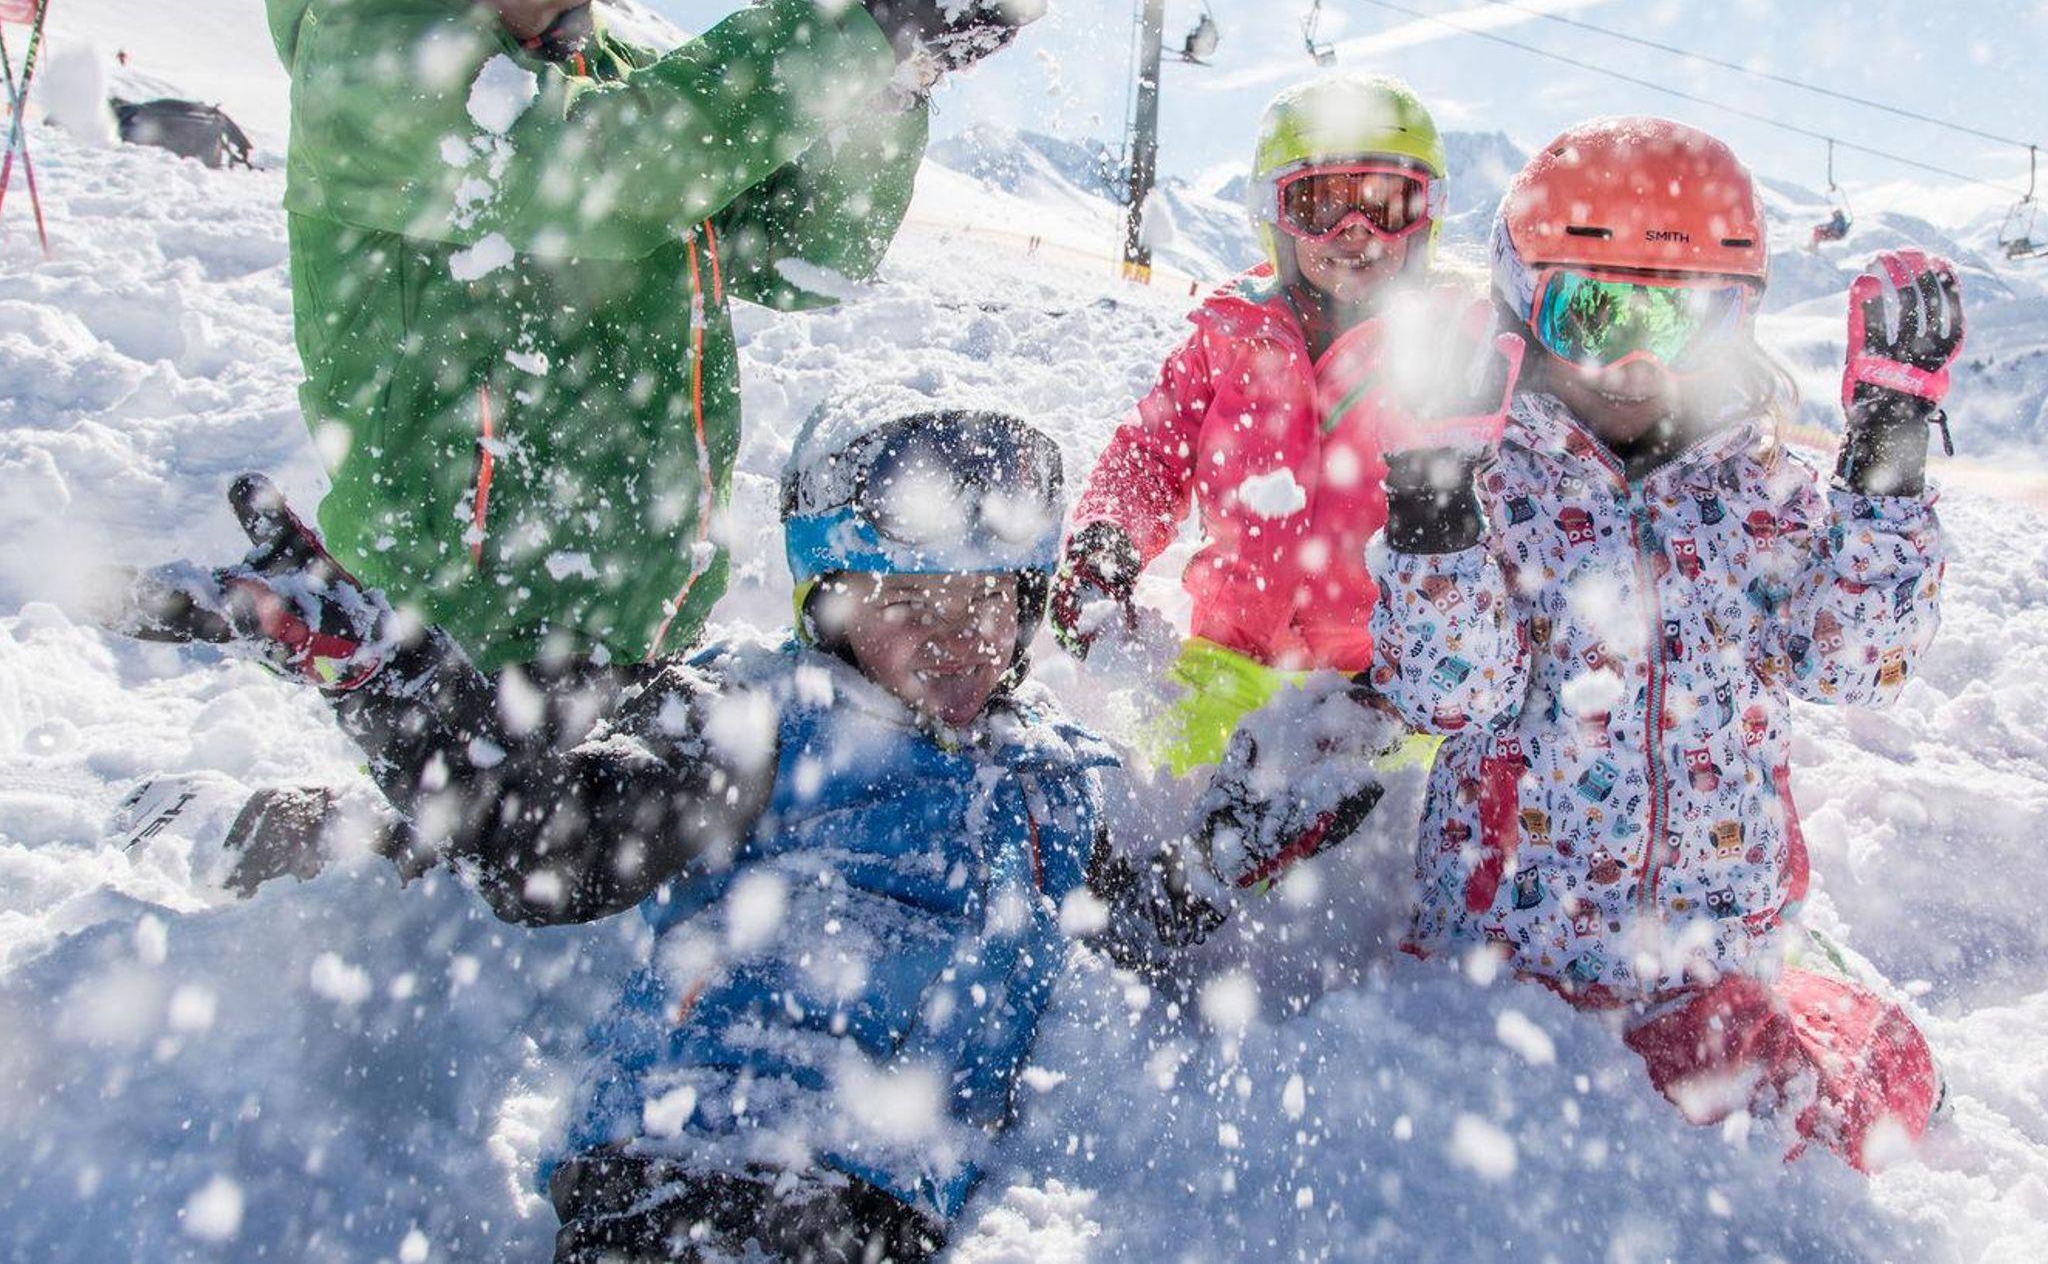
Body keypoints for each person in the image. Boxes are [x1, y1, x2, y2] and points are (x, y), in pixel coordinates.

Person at [104, 387, 1391, 1261]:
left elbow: (1135, 921)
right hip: (694, 1169)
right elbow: (540, 847)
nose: (952, 633)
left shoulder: (1055, 778)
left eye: (985, 597)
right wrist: (385, 673)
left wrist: (1232, 841)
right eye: (902, 598)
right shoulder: (757, 720)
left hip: (883, 1205)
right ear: (824, 603)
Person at [268, 0, 1054, 671]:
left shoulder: (632, 90)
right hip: (442, 654)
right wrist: (854, 31)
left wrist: (890, 79)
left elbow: (812, 253)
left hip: (634, 649)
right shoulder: (365, 50)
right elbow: (590, 173)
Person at [1364, 116, 1965, 1170]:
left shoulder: (1758, 492)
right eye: (1593, 312)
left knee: (1805, 1124)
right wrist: (1435, 499)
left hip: (1707, 968)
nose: (1637, 363)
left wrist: (1888, 447)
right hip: (1509, 965)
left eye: (1686, 317)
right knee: (1541, 1158)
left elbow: (1854, 661)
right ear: (1521, 303)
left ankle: (1809, 1014)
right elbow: (1446, 691)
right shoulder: (1497, 481)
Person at [1050, 73, 1444, 775]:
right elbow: (1150, 454)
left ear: (1424, 217)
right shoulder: (1230, 337)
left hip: (1378, 687)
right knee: (1172, 812)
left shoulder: (1445, 356)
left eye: (1386, 204)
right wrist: (1108, 539)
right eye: (1323, 204)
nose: (1356, 231)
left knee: (1377, 834)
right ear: (1278, 217)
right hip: (1226, 664)